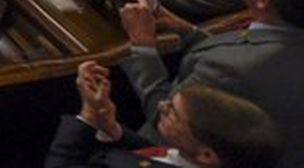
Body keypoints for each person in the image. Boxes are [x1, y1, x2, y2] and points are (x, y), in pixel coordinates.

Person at [112, 0, 304, 163]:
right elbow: (245, 47)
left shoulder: (231, 69)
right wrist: (187, 30)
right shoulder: (289, 35)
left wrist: (142, 45)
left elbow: (165, 116)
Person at [51, 68, 281, 168]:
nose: (161, 105)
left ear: (207, 155)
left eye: (174, 113)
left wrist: (89, 115)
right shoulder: (193, 155)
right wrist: (111, 128)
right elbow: (159, 155)